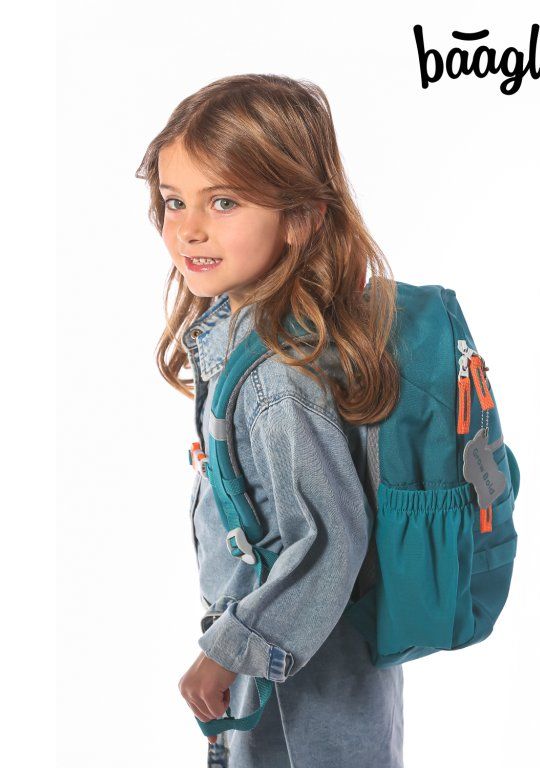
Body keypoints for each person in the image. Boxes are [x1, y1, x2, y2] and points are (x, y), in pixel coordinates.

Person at [136, 73, 404, 767]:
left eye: (223, 201)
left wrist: (229, 652)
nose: (189, 228)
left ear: (302, 217)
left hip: (303, 679)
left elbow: (330, 540)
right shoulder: (249, 340)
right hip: (288, 661)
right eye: (174, 201)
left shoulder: (278, 377)